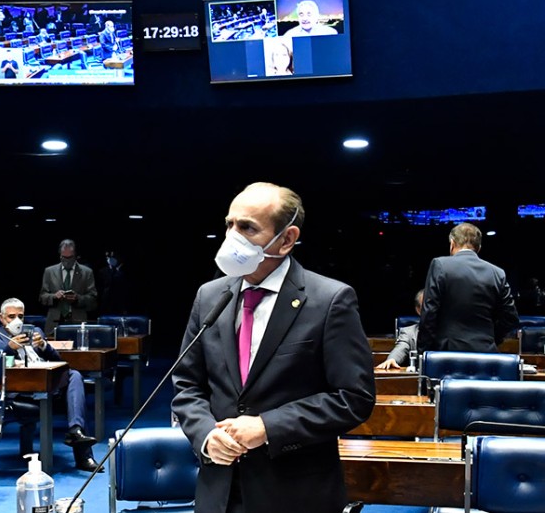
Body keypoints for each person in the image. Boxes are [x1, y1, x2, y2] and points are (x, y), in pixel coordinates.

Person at [171, 182, 375, 513]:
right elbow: (187, 384)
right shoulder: (210, 295)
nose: (232, 236)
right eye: (229, 224)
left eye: (247, 227)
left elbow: (353, 398)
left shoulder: (330, 300)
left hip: (294, 492)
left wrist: (269, 426)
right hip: (219, 491)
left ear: (287, 239)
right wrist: (205, 434)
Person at [0, 297, 102, 472]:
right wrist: (9, 349)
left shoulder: (35, 331)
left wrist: (44, 345)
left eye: (20, 316)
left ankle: (76, 433)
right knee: (74, 385)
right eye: (11, 317)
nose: (17, 321)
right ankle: (83, 453)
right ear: (1, 317)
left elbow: (58, 361)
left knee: (74, 375)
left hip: (48, 384)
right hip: (20, 392)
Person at [417, 222, 520, 353]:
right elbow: (511, 318)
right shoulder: (498, 273)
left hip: (447, 352)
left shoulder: (440, 265)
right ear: (479, 248)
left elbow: (429, 314)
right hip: (485, 351)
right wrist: (490, 338)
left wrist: (424, 352)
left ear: (452, 244)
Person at [39, 238, 98, 335]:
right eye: (64, 257)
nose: (67, 261)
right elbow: (42, 297)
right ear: (60, 255)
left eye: (70, 257)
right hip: (54, 323)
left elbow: (93, 300)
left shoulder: (87, 272)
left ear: (76, 256)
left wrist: (77, 298)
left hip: (78, 322)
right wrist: (54, 296)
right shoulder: (49, 271)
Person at [376, 289, 425, 370]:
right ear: (418, 310)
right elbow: (401, 348)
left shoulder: (448, 333)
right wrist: (392, 359)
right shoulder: (409, 333)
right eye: (427, 306)